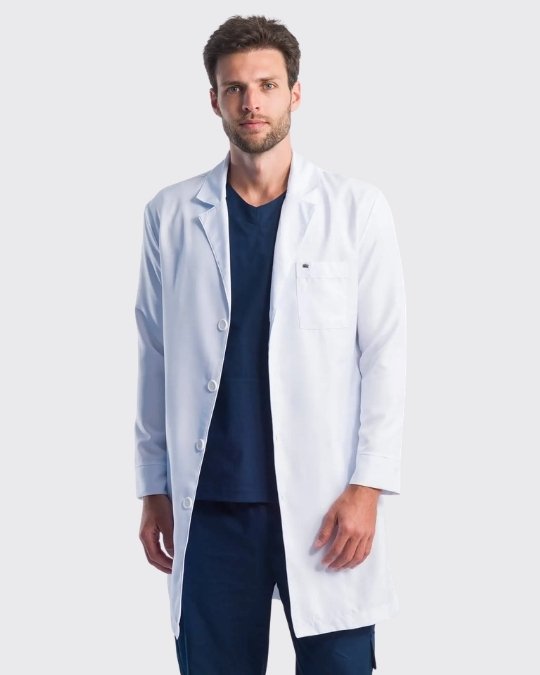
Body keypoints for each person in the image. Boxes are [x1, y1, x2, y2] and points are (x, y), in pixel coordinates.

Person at [134, 14, 407, 675]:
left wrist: (368, 485)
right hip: (212, 508)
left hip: (324, 505)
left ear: (295, 93)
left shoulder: (355, 210)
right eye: (235, 88)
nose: (251, 102)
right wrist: (153, 485)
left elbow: (385, 353)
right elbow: (154, 355)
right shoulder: (171, 215)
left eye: (267, 85)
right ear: (214, 101)